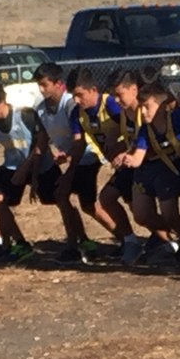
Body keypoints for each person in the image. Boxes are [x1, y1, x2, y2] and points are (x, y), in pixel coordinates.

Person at [0, 80, 63, 264]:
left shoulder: (26, 115)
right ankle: (16, 244)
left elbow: (41, 145)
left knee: (63, 199)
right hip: (13, 166)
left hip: (41, 165)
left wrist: (28, 170)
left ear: (0, 102)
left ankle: (80, 240)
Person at [61, 67, 142, 262]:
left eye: (80, 95)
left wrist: (123, 149)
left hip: (136, 160)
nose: (77, 100)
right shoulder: (77, 113)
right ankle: (131, 241)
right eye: (73, 96)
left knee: (138, 209)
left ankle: (165, 240)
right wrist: (69, 168)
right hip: (122, 165)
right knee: (110, 198)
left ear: (93, 90)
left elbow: (132, 130)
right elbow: (79, 144)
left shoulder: (112, 104)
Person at [125, 81, 180, 262]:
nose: (142, 112)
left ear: (162, 107)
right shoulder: (146, 130)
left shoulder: (179, 118)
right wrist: (129, 159)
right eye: (141, 107)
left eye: (147, 107)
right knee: (172, 217)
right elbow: (138, 157)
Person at [33, 63, 96, 264]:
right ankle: (79, 243)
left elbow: (81, 140)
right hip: (72, 159)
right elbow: (43, 140)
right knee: (65, 197)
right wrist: (35, 173)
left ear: (59, 84)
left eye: (45, 84)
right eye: (39, 85)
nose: (41, 89)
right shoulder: (40, 110)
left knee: (89, 205)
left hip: (87, 157)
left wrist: (69, 160)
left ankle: (123, 239)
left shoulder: (70, 105)